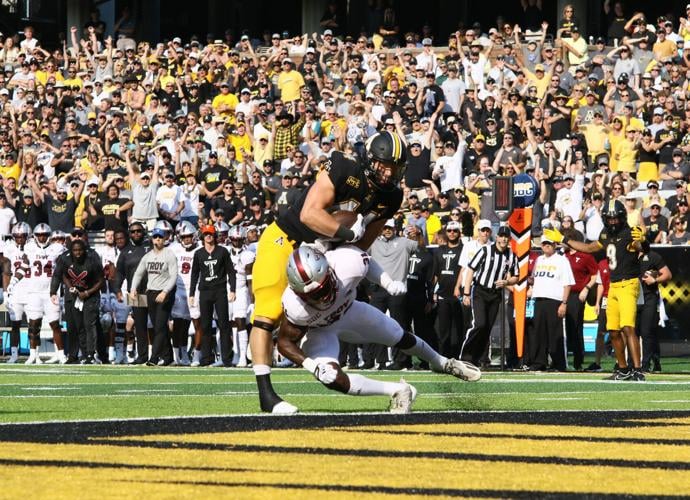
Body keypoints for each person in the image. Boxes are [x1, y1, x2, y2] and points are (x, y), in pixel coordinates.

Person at [250, 131, 406, 414]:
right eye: (384, 166)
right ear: (370, 161)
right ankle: (266, 395)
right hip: (287, 239)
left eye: (394, 168)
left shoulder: (391, 196)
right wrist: (345, 231)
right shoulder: (344, 168)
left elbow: (360, 247)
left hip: (322, 254)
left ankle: (324, 361)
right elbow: (309, 215)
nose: (388, 174)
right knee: (267, 315)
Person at [277, 245, 480, 414]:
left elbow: (367, 263)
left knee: (400, 337)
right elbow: (285, 342)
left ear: (329, 271)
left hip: (351, 312)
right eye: (311, 296)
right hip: (321, 331)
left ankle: (442, 363)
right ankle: (399, 391)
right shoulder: (295, 306)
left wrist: (387, 282)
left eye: (322, 289)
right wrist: (314, 367)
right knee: (333, 379)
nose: (320, 298)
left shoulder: (347, 263)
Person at [544, 200, 646, 380]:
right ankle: (623, 370)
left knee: (628, 327)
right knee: (613, 330)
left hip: (629, 283)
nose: (613, 222)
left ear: (622, 218)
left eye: (616, 218)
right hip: (613, 285)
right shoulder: (605, 233)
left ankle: (637, 370)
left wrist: (643, 241)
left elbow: (641, 249)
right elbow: (589, 248)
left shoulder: (630, 233)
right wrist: (563, 239)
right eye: (610, 218)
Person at [460, 226, 519, 367]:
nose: (504, 238)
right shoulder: (485, 251)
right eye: (501, 236)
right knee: (479, 324)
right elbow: (470, 270)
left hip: (495, 294)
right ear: (497, 237)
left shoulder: (511, 255)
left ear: (509, 239)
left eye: (506, 236)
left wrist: (506, 281)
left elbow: (516, 277)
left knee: (487, 328)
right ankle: (465, 356)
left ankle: (477, 359)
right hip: (480, 291)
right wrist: (466, 293)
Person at [366, 218, 417, 370]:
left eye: (390, 228)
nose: (387, 230)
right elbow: (362, 254)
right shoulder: (374, 243)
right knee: (373, 323)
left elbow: (420, 246)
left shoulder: (404, 242)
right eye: (385, 227)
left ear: (395, 229)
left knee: (399, 325)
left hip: (398, 288)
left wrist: (417, 233)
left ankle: (401, 360)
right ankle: (377, 360)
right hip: (378, 288)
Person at [129, 227, 178, 366]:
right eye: (155, 237)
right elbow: (138, 273)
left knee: (160, 326)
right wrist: (133, 289)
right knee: (158, 327)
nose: (157, 239)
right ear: (151, 239)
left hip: (164, 293)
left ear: (165, 239)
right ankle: (168, 357)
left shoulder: (169, 254)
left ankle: (154, 358)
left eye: (160, 237)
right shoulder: (148, 256)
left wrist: (165, 292)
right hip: (150, 293)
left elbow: (174, 275)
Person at [51, 238, 104, 364]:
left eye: (80, 250)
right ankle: (75, 354)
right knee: (74, 325)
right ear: (71, 251)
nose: (78, 253)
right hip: (73, 294)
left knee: (89, 324)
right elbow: (59, 274)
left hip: (90, 294)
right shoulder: (65, 259)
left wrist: (87, 293)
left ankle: (91, 354)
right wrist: (54, 291)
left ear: (84, 250)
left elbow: (101, 280)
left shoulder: (92, 260)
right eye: (75, 250)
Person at [189, 224, 236, 367]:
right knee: (205, 325)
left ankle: (226, 358)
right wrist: (191, 293)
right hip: (205, 291)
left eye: (210, 234)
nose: (208, 236)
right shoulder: (198, 253)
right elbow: (195, 274)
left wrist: (232, 289)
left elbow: (231, 271)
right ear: (202, 236)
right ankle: (206, 358)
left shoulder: (222, 251)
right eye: (206, 234)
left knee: (224, 324)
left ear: (214, 235)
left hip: (220, 290)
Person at [527, 235, 575, 371]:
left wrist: (564, 303)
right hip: (539, 299)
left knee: (556, 334)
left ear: (554, 245)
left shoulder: (562, 260)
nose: (546, 246)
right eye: (544, 244)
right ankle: (539, 362)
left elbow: (567, 283)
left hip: (555, 300)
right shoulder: (539, 260)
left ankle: (559, 363)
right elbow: (535, 279)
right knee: (539, 333)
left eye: (549, 243)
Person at [23, 224, 66, 364]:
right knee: (34, 324)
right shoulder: (29, 247)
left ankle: (60, 354)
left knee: (55, 323)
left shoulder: (57, 248)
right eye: (40, 235)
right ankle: (33, 355)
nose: (42, 238)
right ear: (35, 236)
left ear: (49, 236)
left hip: (51, 291)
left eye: (45, 235)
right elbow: (23, 266)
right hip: (34, 291)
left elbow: (64, 266)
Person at [113, 221, 151, 364]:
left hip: (153, 291)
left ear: (143, 232)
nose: (136, 234)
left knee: (158, 325)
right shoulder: (125, 252)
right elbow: (119, 273)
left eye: (138, 231)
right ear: (129, 234)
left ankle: (163, 355)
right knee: (139, 326)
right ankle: (142, 356)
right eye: (133, 231)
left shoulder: (151, 247)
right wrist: (117, 289)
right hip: (135, 293)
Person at [563, 231, 598, 370]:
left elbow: (596, 274)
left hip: (577, 295)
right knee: (562, 328)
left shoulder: (585, 256)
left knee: (576, 327)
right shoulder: (562, 256)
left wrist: (587, 288)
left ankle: (578, 361)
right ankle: (561, 359)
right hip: (561, 295)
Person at [170, 221, 202, 366]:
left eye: (189, 236)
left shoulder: (200, 250)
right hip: (179, 290)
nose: (186, 239)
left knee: (197, 323)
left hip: (194, 291)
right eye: (184, 237)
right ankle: (179, 355)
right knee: (179, 325)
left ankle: (196, 355)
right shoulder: (174, 249)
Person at [637, 244, 671, 372]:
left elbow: (667, 274)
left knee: (646, 331)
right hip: (632, 297)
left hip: (648, 297)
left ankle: (645, 365)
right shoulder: (627, 255)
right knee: (632, 331)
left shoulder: (652, 256)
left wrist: (654, 280)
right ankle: (632, 364)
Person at [433, 221, 464, 358]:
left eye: (455, 230)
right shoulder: (439, 250)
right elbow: (434, 273)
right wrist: (433, 292)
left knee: (458, 330)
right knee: (443, 330)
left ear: (459, 232)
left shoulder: (464, 249)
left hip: (459, 295)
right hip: (443, 295)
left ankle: (457, 357)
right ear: (446, 232)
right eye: (450, 230)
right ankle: (443, 358)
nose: (452, 233)